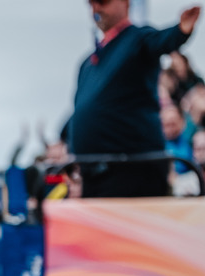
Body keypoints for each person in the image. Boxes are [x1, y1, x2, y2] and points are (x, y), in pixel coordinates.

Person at [68, 0, 201, 197]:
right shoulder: (88, 63)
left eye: (103, 2)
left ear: (125, 3)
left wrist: (181, 30)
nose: (96, 8)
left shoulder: (137, 39)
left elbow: (161, 40)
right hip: (93, 172)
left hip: (132, 169)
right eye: (91, 3)